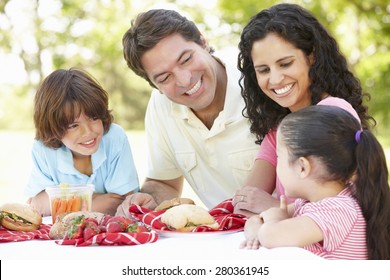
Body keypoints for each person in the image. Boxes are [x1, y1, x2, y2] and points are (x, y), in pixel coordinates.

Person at [232, 3, 375, 216]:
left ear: (311, 57)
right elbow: (245, 204)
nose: (275, 79)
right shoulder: (278, 131)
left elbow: (339, 211)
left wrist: (273, 208)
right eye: (263, 70)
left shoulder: (334, 113)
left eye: (285, 64)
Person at [116, 9, 258, 216]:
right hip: (226, 237)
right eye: (164, 78)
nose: (184, 80)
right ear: (155, 86)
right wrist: (149, 199)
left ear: (203, 42)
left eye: (186, 60)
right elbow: (165, 182)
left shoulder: (259, 77)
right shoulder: (161, 106)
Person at [240, 105, 390, 260]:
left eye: (279, 157)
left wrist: (272, 222)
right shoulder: (308, 204)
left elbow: (270, 235)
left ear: (302, 167)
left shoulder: (339, 212)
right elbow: (253, 222)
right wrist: (258, 232)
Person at [25, 68, 139, 216]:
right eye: (73, 125)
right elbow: (36, 205)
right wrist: (95, 200)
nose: (88, 132)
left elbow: (120, 203)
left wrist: (60, 202)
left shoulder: (114, 138)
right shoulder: (43, 149)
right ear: (53, 129)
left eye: (93, 118)